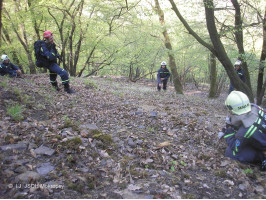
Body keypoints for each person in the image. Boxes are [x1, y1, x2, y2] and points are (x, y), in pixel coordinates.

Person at [218, 91, 266, 170]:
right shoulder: (256, 107)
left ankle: (261, 156)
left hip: (262, 147)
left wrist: (228, 131)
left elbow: (236, 146)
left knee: (231, 153)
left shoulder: (245, 131)